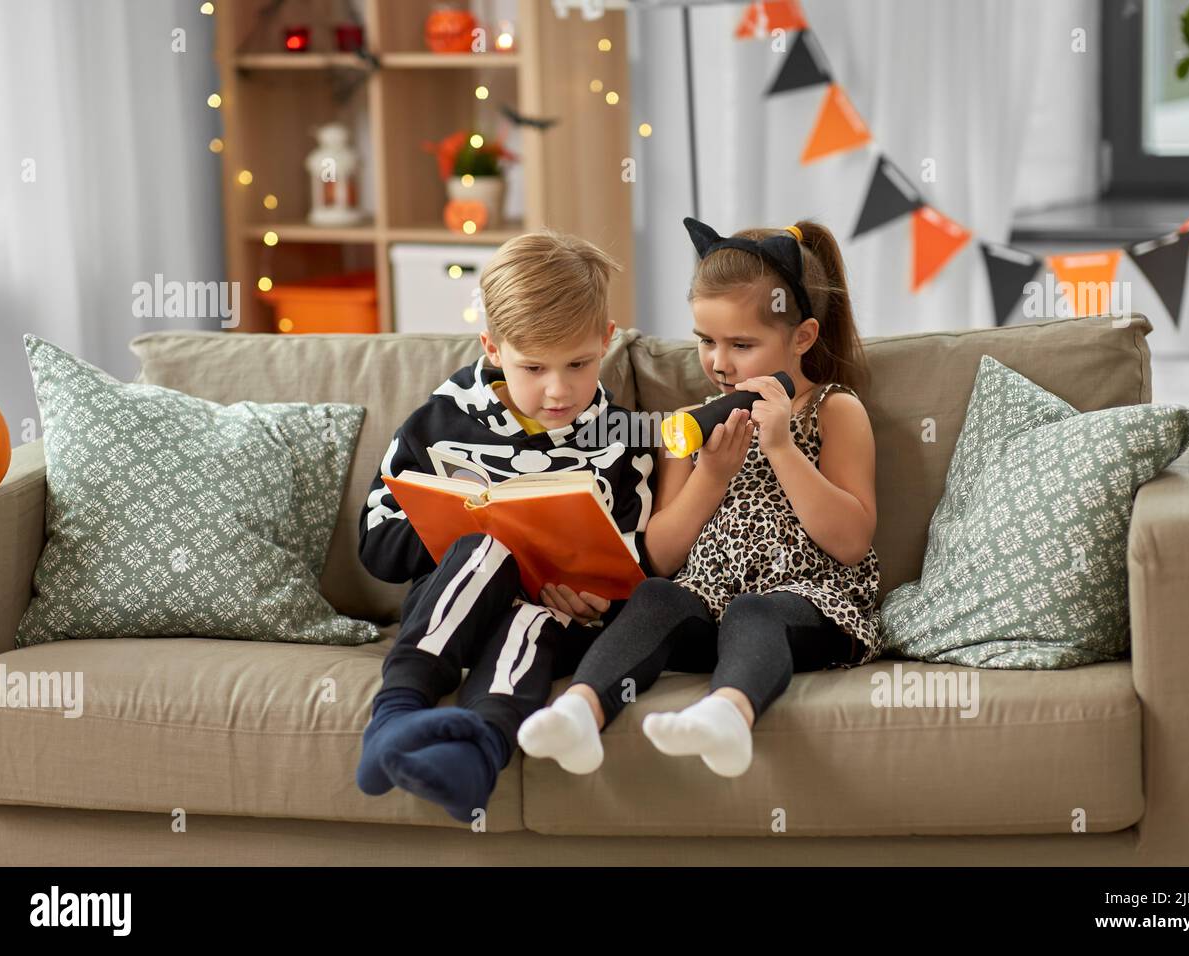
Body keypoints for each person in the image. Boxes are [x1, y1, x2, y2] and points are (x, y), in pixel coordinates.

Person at [518, 216, 881, 778]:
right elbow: (660, 555)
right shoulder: (689, 424)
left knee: (754, 611)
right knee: (658, 596)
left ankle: (728, 715)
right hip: (706, 604)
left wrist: (782, 449)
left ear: (801, 338)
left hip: (810, 606)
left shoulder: (834, 410)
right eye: (705, 341)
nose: (718, 362)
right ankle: (580, 713)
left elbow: (853, 542)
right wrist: (710, 474)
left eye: (742, 344)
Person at [355, 229, 654, 822]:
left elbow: (636, 558)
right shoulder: (437, 422)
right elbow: (376, 544)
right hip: (452, 601)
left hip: (559, 618)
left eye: (579, 364)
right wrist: (449, 520)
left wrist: (599, 597)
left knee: (534, 615)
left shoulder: (626, 438)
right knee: (486, 546)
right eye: (533, 366)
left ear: (606, 341)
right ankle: (395, 715)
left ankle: (480, 751)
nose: (558, 389)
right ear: (492, 347)